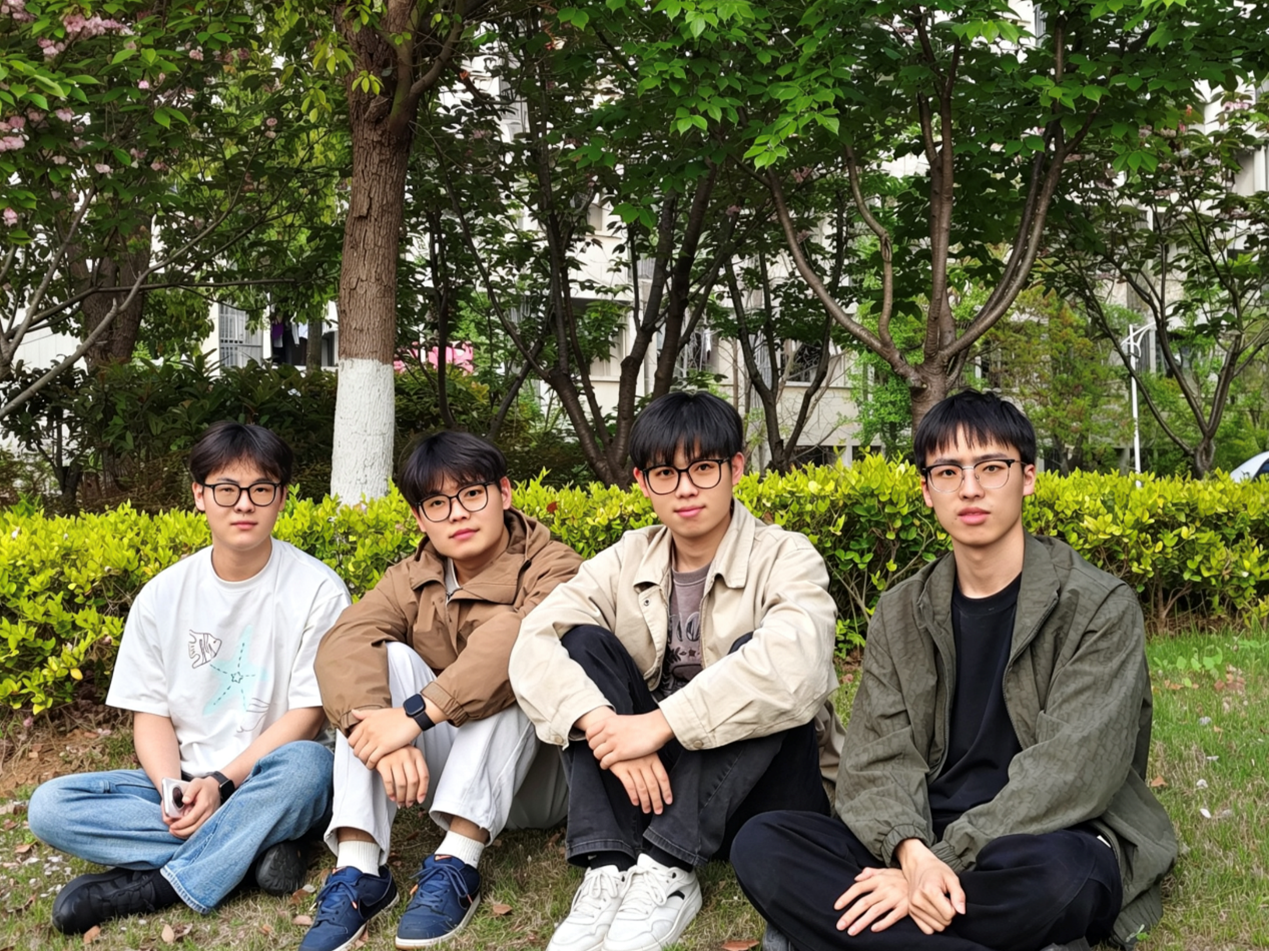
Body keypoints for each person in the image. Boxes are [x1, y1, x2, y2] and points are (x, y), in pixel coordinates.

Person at [731, 390, 1177, 951]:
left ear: (1028, 477)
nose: (969, 489)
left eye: (991, 468)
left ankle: (841, 930)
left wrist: (940, 863)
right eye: (948, 472)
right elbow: (875, 760)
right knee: (762, 843)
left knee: (1068, 877)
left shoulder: (1098, 607)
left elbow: (1072, 774)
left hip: (1040, 837)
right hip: (921, 835)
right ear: (927, 490)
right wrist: (912, 855)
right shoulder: (901, 611)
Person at [509, 391, 844, 951]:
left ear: (736, 468)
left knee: (758, 657)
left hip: (765, 790)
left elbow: (796, 667)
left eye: (703, 468)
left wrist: (659, 725)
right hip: (657, 787)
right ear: (643, 483)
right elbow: (533, 640)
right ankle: (611, 866)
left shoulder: (785, 555)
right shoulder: (627, 558)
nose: (686, 488)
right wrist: (601, 723)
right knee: (582, 643)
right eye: (666, 473)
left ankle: (667, 868)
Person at [29, 422, 350, 934]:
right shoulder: (162, 595)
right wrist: (172, 791)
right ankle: (254, 850)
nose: (243, 504)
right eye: (226, 489)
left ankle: (159, 886)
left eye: (260, 489)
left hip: (270, 779)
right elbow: (151, 712)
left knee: (310, 767)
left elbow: (309, 717)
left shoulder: (318, 591)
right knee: (50, 807)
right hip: (187, 780)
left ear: (281, 498)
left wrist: (221, 784)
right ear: (200, 495)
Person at [301, 431, 581, 951]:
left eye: (472, 494)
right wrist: (378, 733)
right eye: (437, 503)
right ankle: (359, 869)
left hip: (539, 777)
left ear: (504, 493)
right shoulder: (413, 576)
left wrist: (411, 719)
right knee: (381, 659)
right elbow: (345, 640)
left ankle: (458, 861)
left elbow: (516, 637)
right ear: (420, 517)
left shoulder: (553, 564)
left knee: (521, 656)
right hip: (446, 773)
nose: (458, 514)